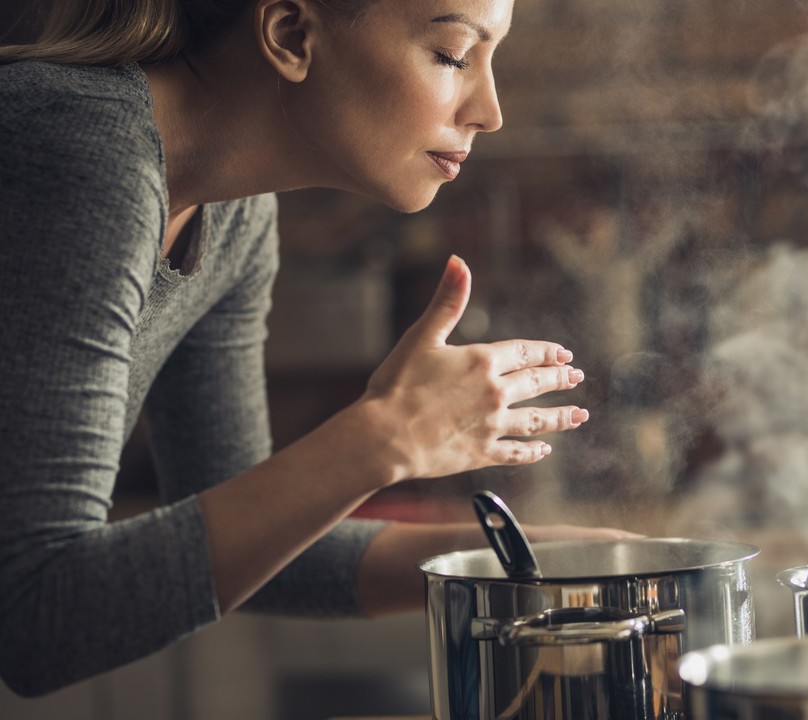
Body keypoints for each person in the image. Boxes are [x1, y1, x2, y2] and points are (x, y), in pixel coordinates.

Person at [0, 0, 632, 698]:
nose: (489, 110)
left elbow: (259, 537)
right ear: (291, 34)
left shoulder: (235, 215)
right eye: (454, 55)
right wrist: (384, 437)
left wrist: (556, 562)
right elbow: (35, 619)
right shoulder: (81, 152)